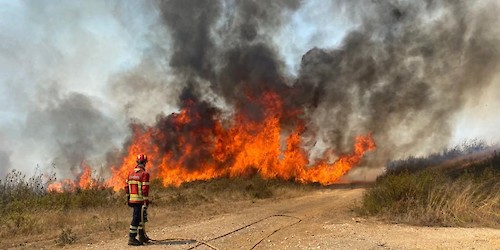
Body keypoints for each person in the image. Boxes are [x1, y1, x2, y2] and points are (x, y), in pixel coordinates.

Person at [125, 154, 151, 246]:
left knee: (141, 218)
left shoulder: (130, 173)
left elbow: (126, 187)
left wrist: (128, 198)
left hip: (132, 200)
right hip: (140, 200)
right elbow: (144, 189)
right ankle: (132, 238)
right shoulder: (145, 174)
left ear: (137, 162)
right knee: (136, 218)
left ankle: (141, 236)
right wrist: (146, 201)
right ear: (144, 163)